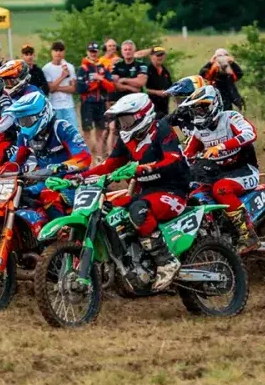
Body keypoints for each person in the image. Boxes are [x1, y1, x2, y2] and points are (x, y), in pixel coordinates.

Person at [79, 93, 191, 291]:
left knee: (138, 210)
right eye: (121, 120)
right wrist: (81, 177)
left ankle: (166, 261)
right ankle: (131, 263)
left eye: (128, 119)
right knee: (111, 212)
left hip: (174, 190)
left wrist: (143, 169)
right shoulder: (126, 137)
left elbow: (173, 159)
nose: (124, 125)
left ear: (143, 115)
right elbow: (110, 164)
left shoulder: (161, 129)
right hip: (147, 192)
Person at [177, 85, 260, 252]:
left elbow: (250, 134)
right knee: (192, 194)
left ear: (215, 104)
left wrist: (221, 147)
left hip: (245, 170)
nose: (200, 112)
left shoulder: (231, 118)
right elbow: (186, 155)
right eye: (196, 109)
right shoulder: (199, 131)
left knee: (221, 189)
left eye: (203, 107)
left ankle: (248, 235)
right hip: (218, 173)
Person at [6, 92, 91, 215]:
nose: (23, 125)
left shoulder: (61, 128)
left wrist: (59, 167)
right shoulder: (24, 137)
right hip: (46, 181)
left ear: (42, 115)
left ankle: (62, 227)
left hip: (73, 181)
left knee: (48, 196)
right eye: (21, 121)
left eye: (27, 120)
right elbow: (15, 162)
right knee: (20, 195)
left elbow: (85, 157)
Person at [108, 40, 150, 154]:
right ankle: (112, 155)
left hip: (137, 103)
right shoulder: (117, 65)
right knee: (114, 129)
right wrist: (132, 88)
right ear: (122, 52)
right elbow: (115, 85)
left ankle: (137, 154)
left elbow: (141, 82)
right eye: (125, 50)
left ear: (134, 51)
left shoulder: (141, 65)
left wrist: (124, 79)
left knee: (137, 129)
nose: (127, 52)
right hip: (120, 102)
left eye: (130, 49)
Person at [76, 41, 114, 161]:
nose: (93, 54)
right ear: (87, 52)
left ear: (98, 52)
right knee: (87, 131)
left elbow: (111, 86)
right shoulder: (83, 68)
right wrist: (94, 84)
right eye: (91, 51)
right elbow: (80, 88)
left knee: (101, 132)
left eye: (95, 51)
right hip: (87, 103)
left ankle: (99, 158)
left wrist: (100, 80)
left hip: (101, 103)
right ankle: (89, 158)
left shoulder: (103, 67)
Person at [42, 41, 78, 129]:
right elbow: (50, 89)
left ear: (64, 52)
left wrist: (56, 87)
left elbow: (73, 89)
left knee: (73, 131)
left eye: (61, 50)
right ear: (52, 52)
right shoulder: (46, 69)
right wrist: (62, 76)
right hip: (54, 106)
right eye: (56, 50)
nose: (58, 53)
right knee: (56, 132)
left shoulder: (70, 67)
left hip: (69, 106)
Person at [145, 46, 173, 119]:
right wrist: (157, 92)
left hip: (164, 109)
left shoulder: (165, 71)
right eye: (158, 55)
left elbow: (170, 86)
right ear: (151, 56)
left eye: (162, 55)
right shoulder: (146, 70)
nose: (160, 57)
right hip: (150, 109)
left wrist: (170, 91)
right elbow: (142, 89)